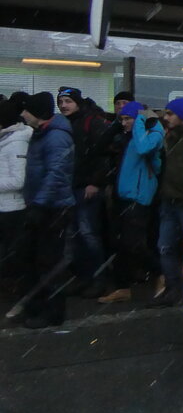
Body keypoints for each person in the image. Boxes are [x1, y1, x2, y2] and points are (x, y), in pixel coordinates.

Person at [12, 92, 75, 328]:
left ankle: (53, 312)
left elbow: (56, 173)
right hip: (42, 205)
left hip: (54, 208)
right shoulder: (43, 134)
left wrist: (40, 204)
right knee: (33, 259)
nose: (22, 115)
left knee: (49, 262)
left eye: (25, 110)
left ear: (35, 113)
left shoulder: (56, 137)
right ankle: (36, 306)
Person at [98, 101, 165, 304]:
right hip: (123, 195)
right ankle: (122, 287)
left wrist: (140, 121)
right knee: (118, 244)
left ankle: (161, 272)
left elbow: (144, 148)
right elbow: (102, 145)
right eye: (122, 119)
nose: (124, 123)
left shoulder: (153, 134)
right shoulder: (128, 136)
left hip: (138, 197)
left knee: (133, 243)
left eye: (128, 119)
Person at [57, 86, 113, 297]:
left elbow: (103, 154)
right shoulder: (67, 124)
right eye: (61, 102)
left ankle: (98, 279)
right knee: (75, 236)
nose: (63, 105)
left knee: (88, 234)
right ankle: (85, 277)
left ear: (77, 103)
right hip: (72, 187)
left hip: (86, 187)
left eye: (68, 101)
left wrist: (96, 182)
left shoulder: (91, 122)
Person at [153, 97, 183, 307]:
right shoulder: (171, 138)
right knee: (165, 246)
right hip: (170, 198)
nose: (165, 118)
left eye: (170, 114)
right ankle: (174, 288)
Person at [0, 98, 32, 295]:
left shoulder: (17, 142)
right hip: (4, 206)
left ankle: (16, 286)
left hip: (12, 207)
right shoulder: (5, 139)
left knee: (13, 252)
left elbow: (18, 180)